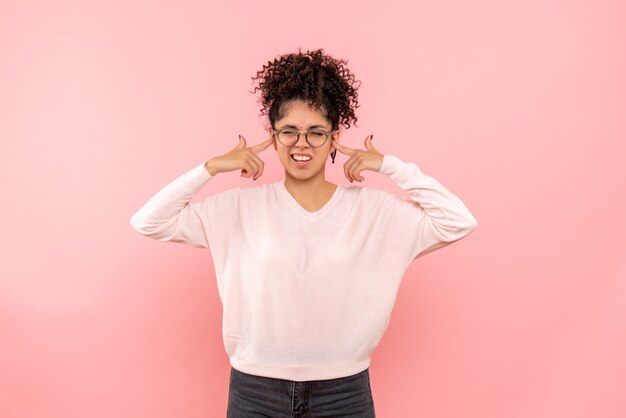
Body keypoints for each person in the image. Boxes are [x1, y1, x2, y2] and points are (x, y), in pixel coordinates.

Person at [130, 48, 477, 417]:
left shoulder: (375, 212)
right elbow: (149, 220)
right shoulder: (236, 209)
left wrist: (391, 166)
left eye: (316, 132)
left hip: (344, 393)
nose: (301, 144)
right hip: (255, 392)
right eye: (289, 132)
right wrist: (210, 168)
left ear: (334, 138)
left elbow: (458, 220)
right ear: (273, 135)